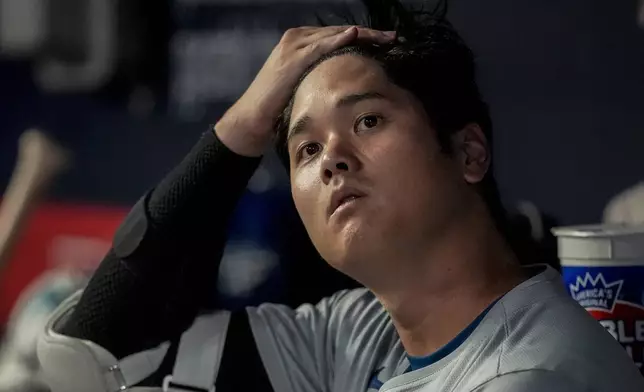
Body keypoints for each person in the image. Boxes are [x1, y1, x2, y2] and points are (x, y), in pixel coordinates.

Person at [37, 1, 644, 391]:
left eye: (368, 121)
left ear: (468, 152)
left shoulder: (531, 376)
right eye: (305, 150)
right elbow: (90, 355)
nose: (332, 159)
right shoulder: (356, 337)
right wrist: (237, 133)